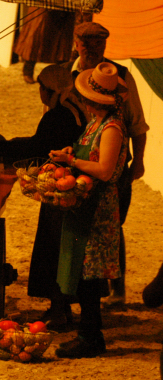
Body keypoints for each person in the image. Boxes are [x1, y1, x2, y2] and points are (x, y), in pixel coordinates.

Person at [0, 64, 87, 328]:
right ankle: (63, 308)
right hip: (71, 187)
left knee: (53, 248)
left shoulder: (58, 116)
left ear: (49, 90)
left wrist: (2, 147)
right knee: (64, 249)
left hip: (59, 189)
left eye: (41, 88)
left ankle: (58, 310)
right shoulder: (74, 110)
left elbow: (38, 146)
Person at [49, 62, 129, 358]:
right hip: (86, 202)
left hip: (98, 207)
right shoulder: (96, 123)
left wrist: (72, 162)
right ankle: (89, 333)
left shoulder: (112, 128)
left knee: (90, 274)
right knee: (83, 271)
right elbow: (90, 153)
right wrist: (72, 151)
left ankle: (91, 336)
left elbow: (105, 170)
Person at [65, 21, 148, 304]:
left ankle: (116, 288)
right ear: (76, 44)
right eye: (85, 44)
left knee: (112, 225)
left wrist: (139, 161)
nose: (91, 49)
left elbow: (137, 123)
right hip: (78, 160)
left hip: (109, 164)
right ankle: (78, 287)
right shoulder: (65, 74)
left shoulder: (120, 77)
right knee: (80, 227)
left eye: (97, 44)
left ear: (105, 45)